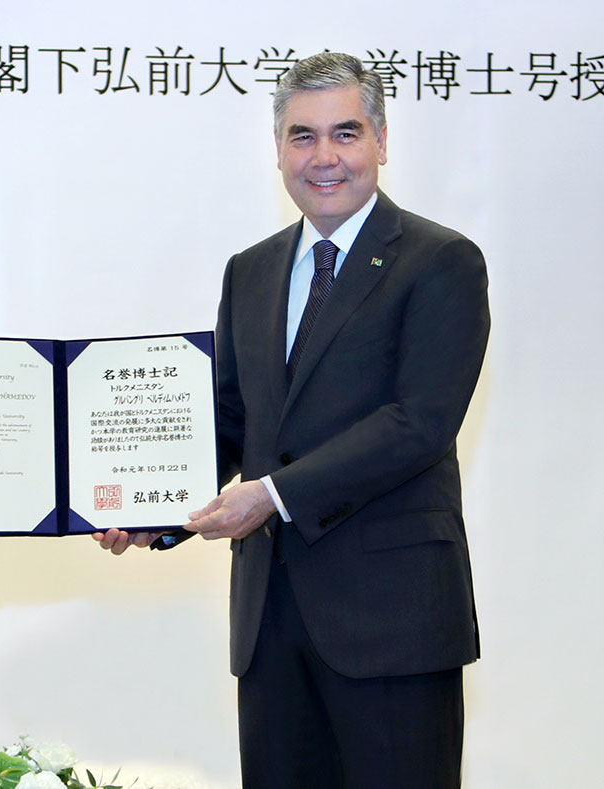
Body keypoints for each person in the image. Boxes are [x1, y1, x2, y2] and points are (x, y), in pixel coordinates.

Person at [96, 52, 490, 788]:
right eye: (302, 136)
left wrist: (269, 495)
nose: (325, 157)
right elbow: (232, 419)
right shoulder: (252, 268)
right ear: (278, 149)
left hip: (393, 622)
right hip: (271, 621)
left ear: (381, 141)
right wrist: (155, 506)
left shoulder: (441, 261)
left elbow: (420, 423)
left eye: (346, 133)